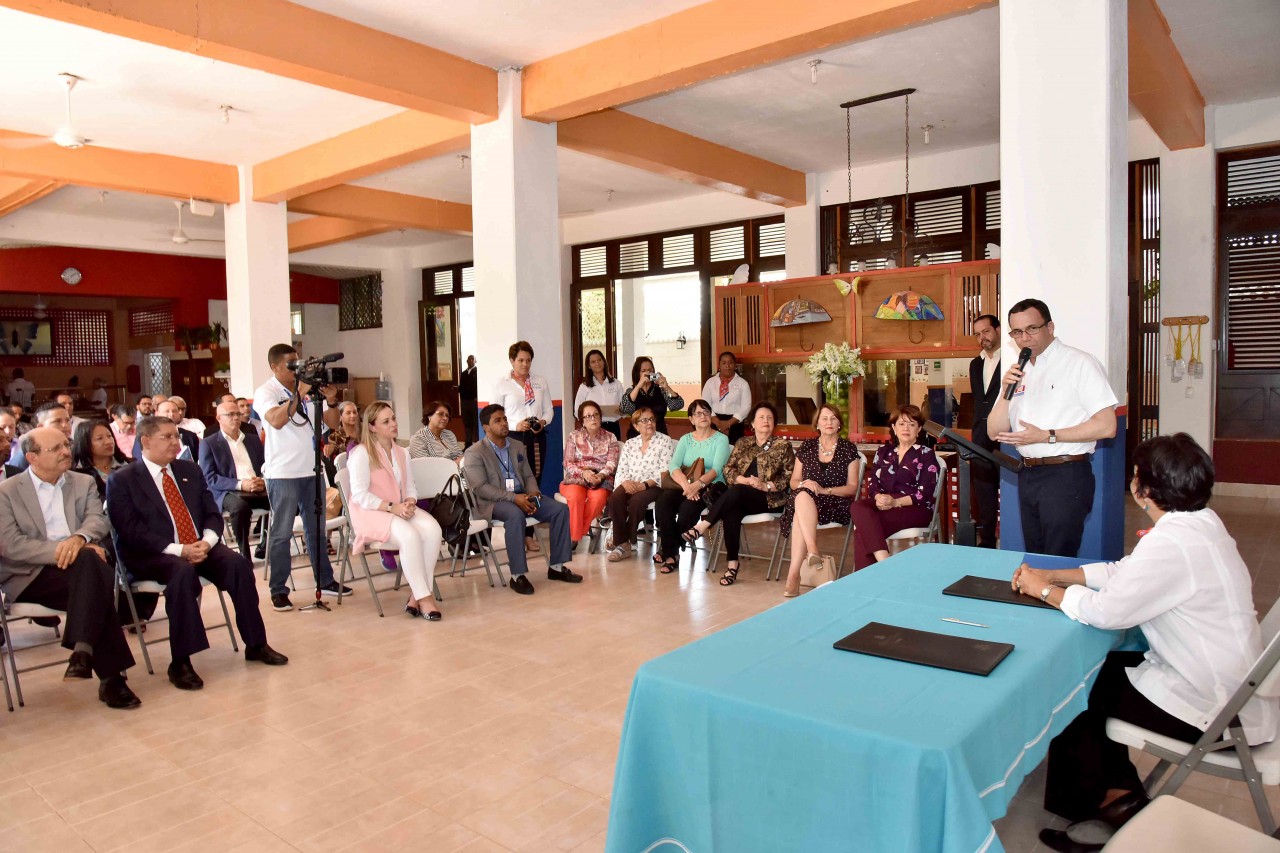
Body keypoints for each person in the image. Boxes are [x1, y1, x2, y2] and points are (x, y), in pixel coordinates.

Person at [1012, 434, 1278, 853]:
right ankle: (1118, 794)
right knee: (1100, 673)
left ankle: (1097, 804)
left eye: (1136, 475)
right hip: (1229, 687)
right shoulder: (1200, 524)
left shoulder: (1175, 543)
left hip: (1217, 708)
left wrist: (1041, 591)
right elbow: (1129, 572)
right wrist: (1062, 577)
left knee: (1076, 690)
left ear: (1145, 489)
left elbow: (1106, 612)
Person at [107, 416, 288, 691]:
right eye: (166, 437)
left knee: (238, 565)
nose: (175, 442)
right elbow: (130, 531)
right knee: (181, 573)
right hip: (153, 553)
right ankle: (180, 661)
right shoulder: (123, 480)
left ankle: (256, 643)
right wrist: (180, 550)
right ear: (145, 441)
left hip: (199, 544)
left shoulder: (188, 469)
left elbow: (211, 512)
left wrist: (208, 540)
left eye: (175, 436)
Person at [0, 427, 141, 709]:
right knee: (95, 575)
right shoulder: (7, 491)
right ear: (32, 457)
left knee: (91, 568)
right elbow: (10, 545)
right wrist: (64, 550)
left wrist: (78, 539)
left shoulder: (82, 482)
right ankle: (106, 674)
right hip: (31, 574)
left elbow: (98, 521)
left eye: (66, 445)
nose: (67, 451)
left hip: (79, 569)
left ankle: (87, 656)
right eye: (56, 449)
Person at [987, 298, 1118, 557]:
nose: (1024, 338)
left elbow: (1107, 426)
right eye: (1017, 333)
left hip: (1066, 475)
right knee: (1035, 557)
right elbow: (994, 432)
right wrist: (1005, 393)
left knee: (1057, 559)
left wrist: (1047, 436)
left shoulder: (1079, 363)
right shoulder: (1019, 371)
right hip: (1028, 475)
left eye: (1032, 329)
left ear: (1050, 327)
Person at [254, 343, 347, 611]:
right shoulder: (266, 392)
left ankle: (325, 580)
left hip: (312, 470)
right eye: (290, 365)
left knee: (315, 529)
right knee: (282, 533)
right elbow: (276, 419)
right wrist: (299, 392)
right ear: (274, 366)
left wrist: (331, 400)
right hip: (283, 473)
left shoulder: (307, 390)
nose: (296, 370)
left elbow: (330, 424)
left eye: (298, 364)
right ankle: (279, 590)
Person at [462, 404, 582, 595]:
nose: (504, 423)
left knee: (559, 510)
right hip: (494, 502)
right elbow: (480, 487)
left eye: (504, 419)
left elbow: (527, 476)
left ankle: (557, 567)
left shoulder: (517, 445)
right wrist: (513, 497)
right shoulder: (475, 452)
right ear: (486, 427)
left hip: (522, 496)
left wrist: (533, 491)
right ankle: (518, 575)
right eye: (497, 420)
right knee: (515, 515)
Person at [347, 402, 444, 621]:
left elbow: (409, 486)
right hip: (370, 513)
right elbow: (360, 495)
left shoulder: (402, 452)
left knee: (433, 530)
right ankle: (425, 598)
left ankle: (416, 596)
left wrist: (409, 501)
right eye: (386, 421)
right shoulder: (361, 453)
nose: (393, 424)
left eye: (393, 418)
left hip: (397, 508)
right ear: (372, 427)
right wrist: (393, 508)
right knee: (409, 535)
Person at [685, 402, 794, 586]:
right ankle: (732, 565)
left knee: (735, 493)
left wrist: (765, 485)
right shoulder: (743, 443)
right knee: (732, 508)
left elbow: (788, 478)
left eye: (769, 418)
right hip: (740, 493)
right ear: (752, 423)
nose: (765, 421)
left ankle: (703, 526)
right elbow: (728, 469)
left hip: (769, 497)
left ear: (774, 423)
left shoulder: (783, 446)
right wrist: (743, 480)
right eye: (761, 417)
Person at [779, 404, 862, 597]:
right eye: (824, 418)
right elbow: (793, 481)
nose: (829, 422)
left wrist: (825, 490)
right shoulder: (807, 447)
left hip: (834, 502)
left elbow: (852, 487)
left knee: (800, 511)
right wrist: (805, 485)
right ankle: (812, 550)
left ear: (839, 423)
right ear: (817, 423)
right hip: (806, 500)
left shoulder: (848, 449)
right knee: (801, 496)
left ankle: (793, 575)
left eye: (833, 418)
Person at [848, 404, 940, 571]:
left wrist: (895, 502)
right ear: (893, 427)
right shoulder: (884, 451)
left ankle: (870, 579)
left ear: (919, 429)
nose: (906, 428)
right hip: (884, 503)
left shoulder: (926, 454)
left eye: (912, 424)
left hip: (915, 508)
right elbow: (873, 484)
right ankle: (886, 565)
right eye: (901, 423)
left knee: (865, 527)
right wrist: (878, 497)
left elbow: (925, 493)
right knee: (857, 506)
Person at [653, 399, 730, 574]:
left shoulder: (721, 440)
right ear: (691, 419)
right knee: (663, 503)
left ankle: (670, 553)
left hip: (709, 486)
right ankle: (670, 550)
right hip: (684, 484)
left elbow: (717, 469)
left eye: (706, 412)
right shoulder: (685, 439)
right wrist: (687, 487)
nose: (703, 416)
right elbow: (673, 467)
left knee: (688, 509)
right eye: (698, 413)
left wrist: (698, 484)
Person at [199, 400, 269, 562]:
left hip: (257, 488)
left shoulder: (252, 439)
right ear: (219, 418)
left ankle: (267, 544)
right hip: (229, 491)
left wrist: (263, 481)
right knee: (240, 508)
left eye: (237, 414)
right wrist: (240, 484)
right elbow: (209, 478)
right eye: (230, 414)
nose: (236, 418)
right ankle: (245, 555)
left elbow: (266, 466)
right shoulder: (209, 443)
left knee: (283, 500)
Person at [606, 406, 676, 562]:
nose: (649, 423)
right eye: (644, 421)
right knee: (614, 499)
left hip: (654, 486)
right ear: (636, 426)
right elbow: (622, 468)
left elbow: (665, 471)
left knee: (636, 502)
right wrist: (625, 482)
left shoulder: (664, 441)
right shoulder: (630, 444)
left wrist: (644, 485)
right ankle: (623, 544)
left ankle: (627, 542)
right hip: (631, 482)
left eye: (651, 419)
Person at [491, 341, 553, 484]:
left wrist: (542, 422)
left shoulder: (540, 381)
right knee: (516, 478)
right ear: (512, 361)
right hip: (512, 437)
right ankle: (517, 506)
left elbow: (548, 410)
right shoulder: (502, 384)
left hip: (536, 437)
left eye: (528, 360)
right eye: (520, 360)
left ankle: (535, 506)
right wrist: (515, 425)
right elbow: (494, 415)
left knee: (536, 477)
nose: (525, 364)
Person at [559, 400, 620, 548]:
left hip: (600, 479)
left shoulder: (610, 437)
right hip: (576, 479)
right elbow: (567, 463)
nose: (593, 419)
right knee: (576, 497)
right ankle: (576, 535)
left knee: (598, 499)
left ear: (600, 417)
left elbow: (611, 463)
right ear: (582, 420)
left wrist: (600, 475)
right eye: (588, 416)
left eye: (595, 415)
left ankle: (575, 534)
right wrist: (584, 473)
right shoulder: (574, 436)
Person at [967, 314, 1002, 548]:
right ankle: (987, 541)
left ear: (998, 330)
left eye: (986, 331)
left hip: (1007, 435)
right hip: (980, 436)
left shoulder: (1012, 361)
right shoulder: (975, 364)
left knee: (1010, 490)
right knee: (984, 492)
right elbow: (981, 402)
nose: (982, 337)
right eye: (978, 334)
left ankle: (1011, 539)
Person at [619, 356, 685, 437]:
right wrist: (638, 386)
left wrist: (666, 387)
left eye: (650, 370)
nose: (647, 373)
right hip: (637, 437)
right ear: (637, 373)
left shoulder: (661, 390)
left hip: (660, 436)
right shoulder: (632, 391)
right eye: (643, 371)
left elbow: (678, 405)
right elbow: (624, 408)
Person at [702, 351, 752, 444]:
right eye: (724, 363)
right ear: (719, 365)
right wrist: (717, 422)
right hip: (713, 422)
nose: (727, 366)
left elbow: (746, 407)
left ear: (735, 365)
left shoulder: (743, 384)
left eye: (730, 362)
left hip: (735, 424)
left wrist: (728, 424)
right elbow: (704, 404)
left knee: (733, 454)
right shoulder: (710, 383)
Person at [8, 400, 72, 473]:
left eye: (67, 420)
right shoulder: (25, 457)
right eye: (57, 421)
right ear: (41, 427)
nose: (65, 425)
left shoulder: (74, 447)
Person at [574, 349, 624, 439]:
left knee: (614, 452)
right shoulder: (584, 386)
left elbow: (624, 405)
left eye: (599, 360)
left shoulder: (616, 383)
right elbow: (578, 410)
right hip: (593, 428)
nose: (597, 363)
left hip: (613, 427)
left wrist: (622, 411)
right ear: (589, 366)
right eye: (593, 362)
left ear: (604, 362)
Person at [71, 420, 127, 500]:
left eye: (109, 436)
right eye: (99, 438)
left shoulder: (129, 464)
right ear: (85, 443)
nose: (108, 442)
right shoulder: (77, 474)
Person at [132, 399, 199, 462]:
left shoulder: (190, 436)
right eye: (167, 411)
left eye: (174, 411)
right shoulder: (146, 435)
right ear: (157, 414)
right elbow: (138, 458)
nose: (171, 414)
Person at [458, 354, 479, 445]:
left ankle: (478, 445)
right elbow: (462, 387)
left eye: (472, 359)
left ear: (475, 361)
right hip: (465, 402)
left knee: (476, 424)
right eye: (469, 359)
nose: (470, 361)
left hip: (474, 402)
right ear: (466, 361)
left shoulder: (478, 372)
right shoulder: (463, 373)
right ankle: (468, 445)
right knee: (467, 423)